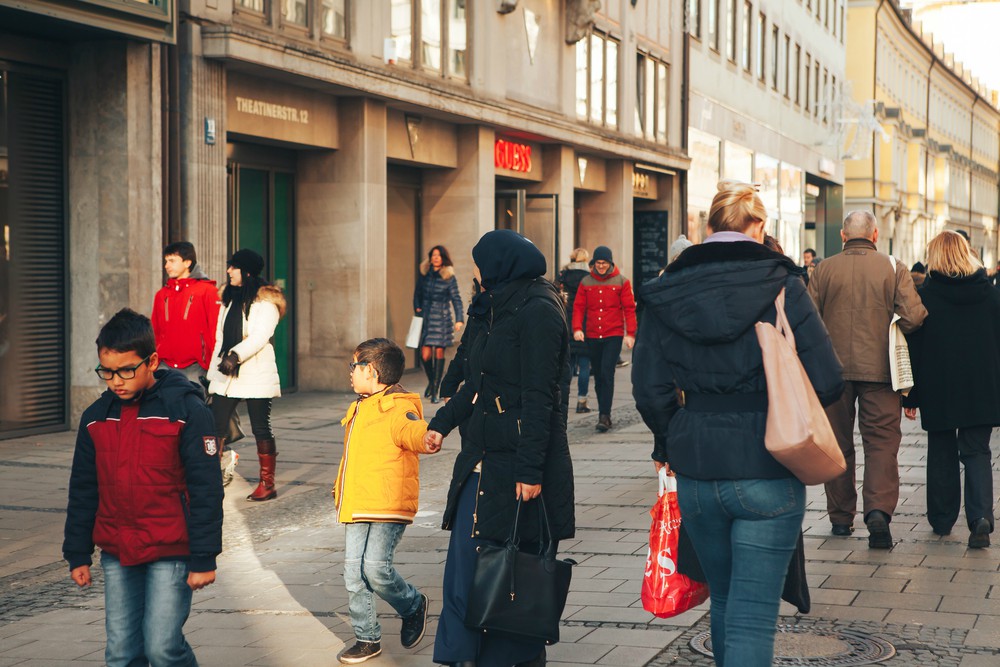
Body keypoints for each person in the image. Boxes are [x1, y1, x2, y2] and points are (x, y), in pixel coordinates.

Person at [632, 181, 843, 667]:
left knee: (724, 603)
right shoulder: (781, 284)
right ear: (759, 226)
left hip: (698, 469)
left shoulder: (667, 291)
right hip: (768, 460)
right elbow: (829, 379)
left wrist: (673, 434)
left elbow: (649, 388)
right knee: (751, 614)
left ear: (709, 227)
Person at [423, 229, 574, 667]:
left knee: (510, 567)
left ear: (499, 265)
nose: (474, 271)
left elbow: (541, 397)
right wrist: (442, 424)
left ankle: (511, 656)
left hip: (517, 462)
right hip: (481, 456)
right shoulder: (490, 305)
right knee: (464, 568)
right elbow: (477, 380)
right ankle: (461, 655)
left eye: (478, 262)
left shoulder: (539, 310)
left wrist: (531, 471)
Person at [63, 308, 223, 667]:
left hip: (172, 548)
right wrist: (77, 552)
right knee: (121, 652)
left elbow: (206, 487)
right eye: (107, 372)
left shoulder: (186, 410)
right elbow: (84, 488)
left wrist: (204, 557)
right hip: (118, 550)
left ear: (152, 361)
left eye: (126, 370)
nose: (116, 380)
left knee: (163, 648)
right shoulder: (95, 418)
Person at [808, 210, 927, 547]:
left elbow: (807, 318)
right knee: (882, 445)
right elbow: (915, 316)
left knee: (838, 445)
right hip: (881, 371)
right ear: (875, 235)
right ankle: (877, 512)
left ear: (844, 237)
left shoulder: (823, 269)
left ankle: (841, 518)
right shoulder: (894, 267)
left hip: (832, 373)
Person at [334, 338, 441, 664]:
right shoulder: (359, 405)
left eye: (354, 366)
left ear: (372, 371)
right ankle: (367, 639)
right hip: (357, 503)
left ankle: (412, 605)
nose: (350, 373)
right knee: (354, 573)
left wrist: (427, 437)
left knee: (376, 569)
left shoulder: (397, 406)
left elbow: (412, 429)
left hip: (388, 502)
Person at [902, 231, 1000, 547]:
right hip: (982, 387)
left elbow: (914, 347)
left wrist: (911, 395)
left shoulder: (925, 297)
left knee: (941, 449)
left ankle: (942, 520)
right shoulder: (991, 295)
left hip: (939, 386)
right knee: (977, 451)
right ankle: (981, 518)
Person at [206, 248, 286, 502]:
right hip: (225, 374)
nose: (228, 271)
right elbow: (219, 338)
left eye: (234, 267)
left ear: (247, 272)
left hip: (255, 372)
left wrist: (235, 355)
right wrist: (213, 371)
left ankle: (267, 483)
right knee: (214, 428)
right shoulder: (229, 299)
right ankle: (209, 481)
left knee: (261, 428)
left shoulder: (266, 303)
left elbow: (260, 337)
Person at [571, 245, 637, 432]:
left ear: (610, 263)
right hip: (592, 334)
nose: (601, 266)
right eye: (598, 263)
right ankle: (603, 411)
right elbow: (578, 307)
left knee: (607, 374)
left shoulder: (621, 282)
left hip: (613, 334)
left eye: (604, 263)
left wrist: (630, 333)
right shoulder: (586, 282)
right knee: (599, 375)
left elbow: (629, 309)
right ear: (593, 263)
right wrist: (577, 328)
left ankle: (604, 415)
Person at [151, 241, 221, 385]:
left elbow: (216, 331)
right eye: (166, 261)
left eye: (172, 261)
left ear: (187, 262)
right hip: (165, 366)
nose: (166, 266)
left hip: (196, 368)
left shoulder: (208, 291)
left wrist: (213, 366)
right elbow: (154, 331)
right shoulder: (161, 294)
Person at [414, 246, 465, 404]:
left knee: (439, 353)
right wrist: (417, 308)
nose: (435, 258)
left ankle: (436, 390)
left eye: (438, 255)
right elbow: (417, 294)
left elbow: (456, 298)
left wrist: (459, 319)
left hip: (442, 319)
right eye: (433, 255)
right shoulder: (424, 275)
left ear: (443, 258)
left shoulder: (449, 276)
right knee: (425, 355)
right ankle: (432, 381)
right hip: (427, 318)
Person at [557, 248, 593, 413]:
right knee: (584, 365)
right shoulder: (590, 278)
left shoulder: (563, 275)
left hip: (566, 320)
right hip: (585, 323)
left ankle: (563, 398)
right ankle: (581, 401)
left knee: (568, 365)